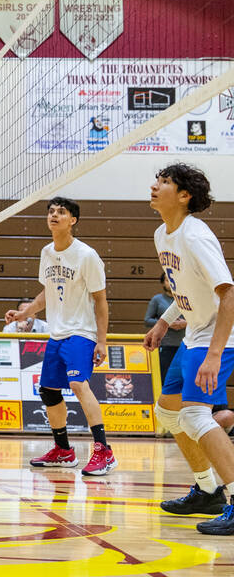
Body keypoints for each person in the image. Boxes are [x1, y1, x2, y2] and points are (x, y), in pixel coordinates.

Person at [142, 163, 234, 535]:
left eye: (164, 182)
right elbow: (185, 287)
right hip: (195, 333)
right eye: (157, 179)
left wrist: (214, 353)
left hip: (219, 337)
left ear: (184, 196)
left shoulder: (196, 236)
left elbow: (227, 292)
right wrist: (164, 321)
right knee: (167, 414)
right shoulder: (162, 234)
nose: (154, 186)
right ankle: (208, 490)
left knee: (195, 417)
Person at [4, 196, 114, 476]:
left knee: (78, 384)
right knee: (49, 391)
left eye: (61, 212)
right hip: (57, 333)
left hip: (82, 332)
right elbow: (47, 293)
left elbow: (101, 301)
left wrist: (101, 340)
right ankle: (63, 451)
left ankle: (104, 450)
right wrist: (24, 313)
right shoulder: (46, 252)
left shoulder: (87, 256)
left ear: (72, 220)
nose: (54, 215)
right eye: (51, 211)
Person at [146, 272, 186, 387]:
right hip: (165, 345)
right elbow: (147, 320)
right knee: (165, 378)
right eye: (168, 280)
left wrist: (185, 324)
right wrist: (165, 323)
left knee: (185, 378)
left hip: (185, 344)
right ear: (163, 283)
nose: (170, 283)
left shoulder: (186, 299)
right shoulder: (157, 300)